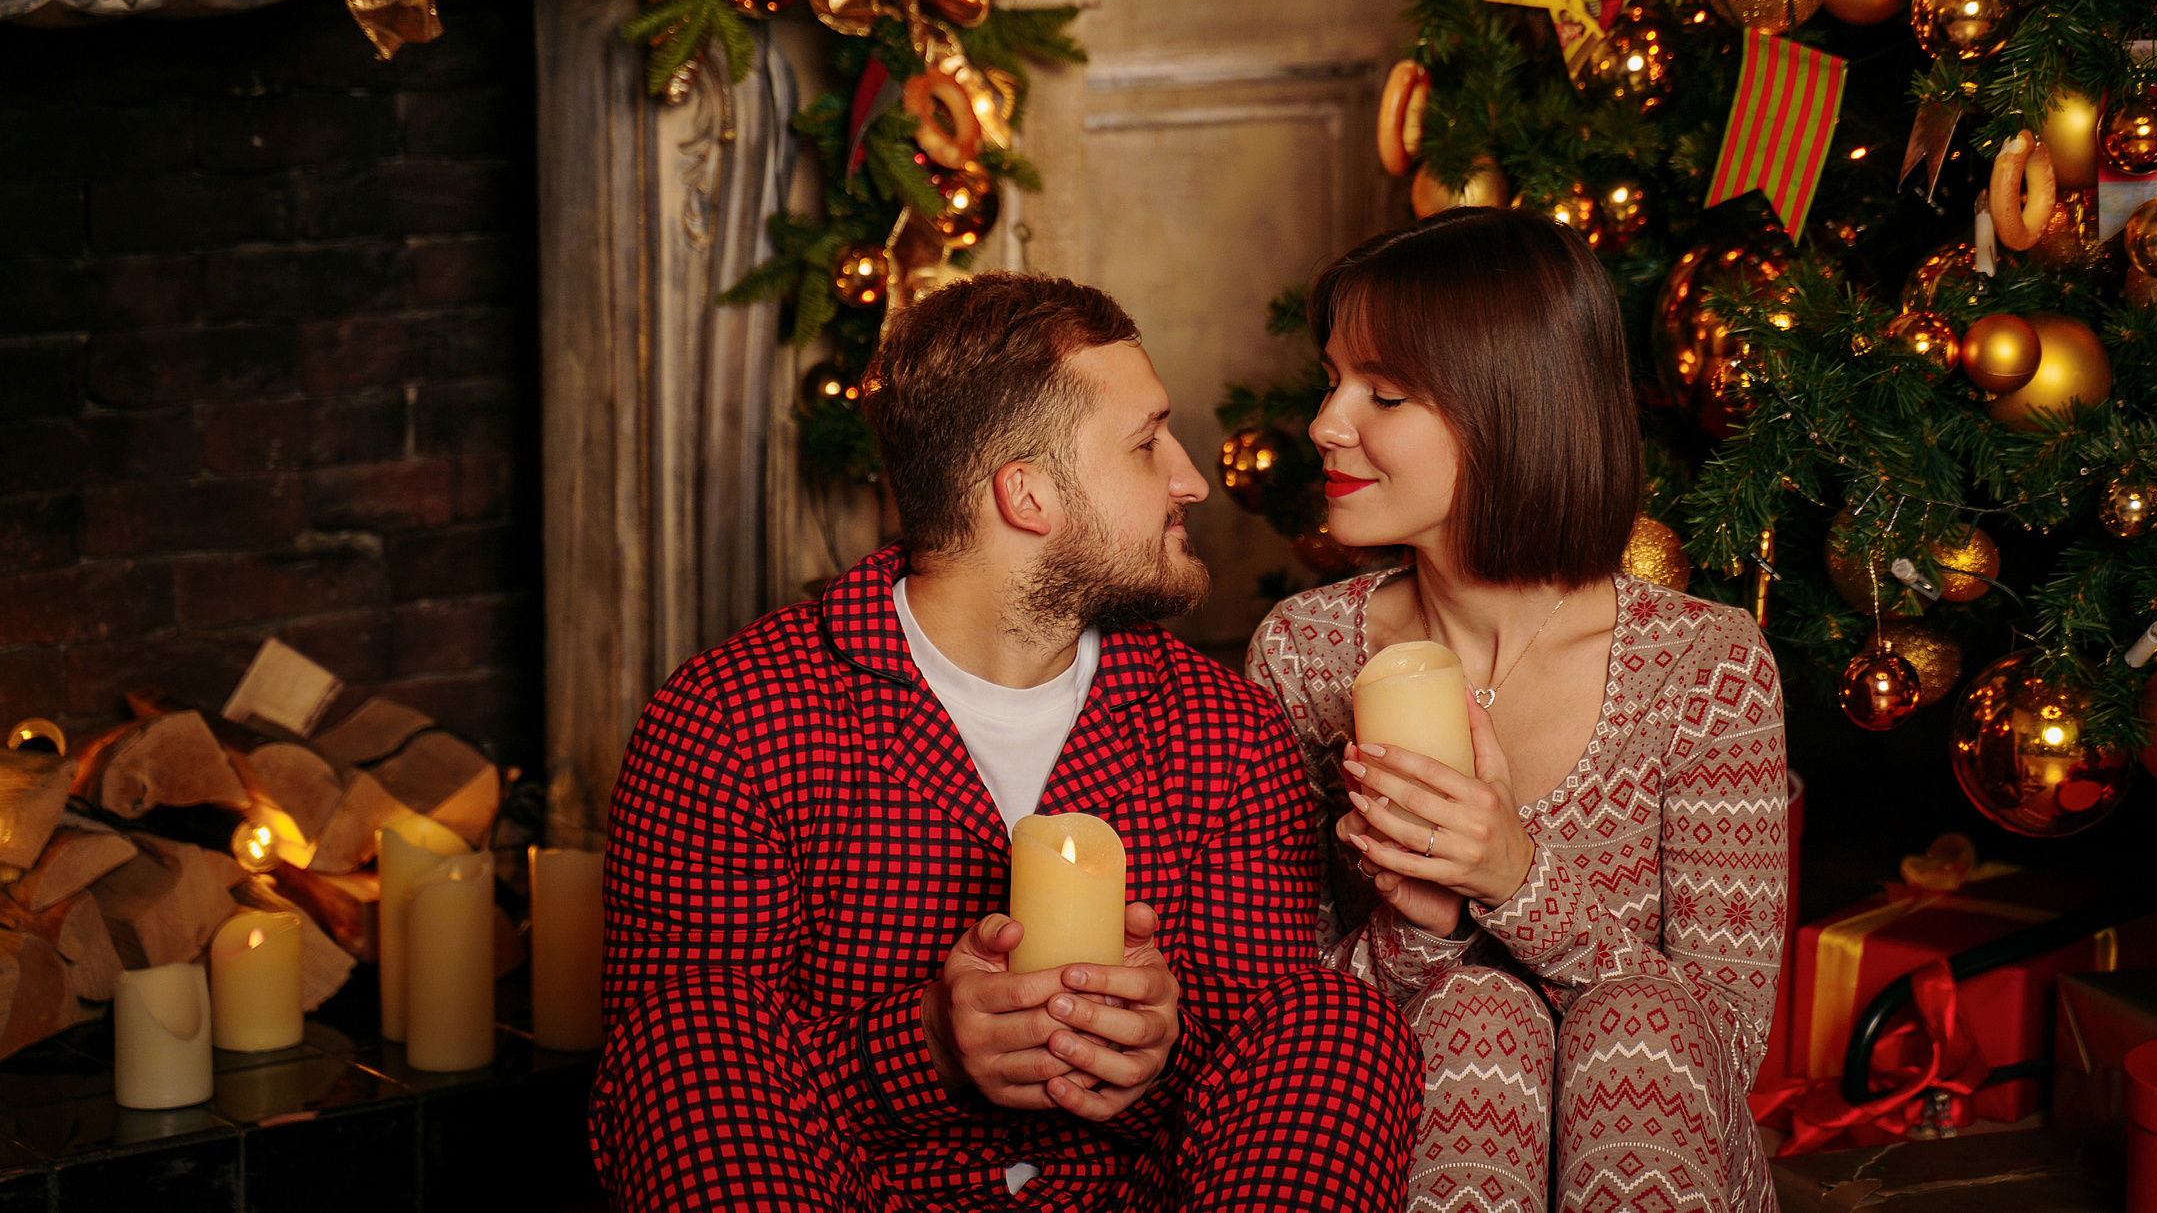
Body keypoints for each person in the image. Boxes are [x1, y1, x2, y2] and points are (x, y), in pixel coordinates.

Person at [594, 272, 1422, 1211]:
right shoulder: (729, 723)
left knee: (1337, 1023)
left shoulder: (1221, 726)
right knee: (684, 1047)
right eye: (1148, 444)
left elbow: (1261, 1050)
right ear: (1025, 495)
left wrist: (1161, 1039)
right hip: (868, 1193)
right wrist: (931, 1045)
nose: (1190, 477)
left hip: (1134, 1195)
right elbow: (689, 1092)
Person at [1247, 209, 1788, 1213]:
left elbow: (1722, 1046)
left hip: (1663, 1151)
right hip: (1417, 1147)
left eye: (1384, 392)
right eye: (1332, 379)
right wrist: (1419, 927)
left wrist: (1519, 879)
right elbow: (1279, 1026)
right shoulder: (1304, 653)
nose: (1326, 422)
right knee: (1476, 1016)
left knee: (1637, 1021)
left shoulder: (1706, 667)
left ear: (1510, 408)